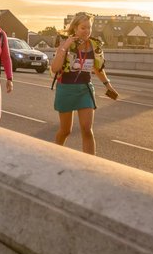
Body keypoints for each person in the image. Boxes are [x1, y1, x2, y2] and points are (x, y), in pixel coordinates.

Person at [50, 12, 118, 155]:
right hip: (66, 89)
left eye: (89, 28)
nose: (86, 31)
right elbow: (54, 68)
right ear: (75, 28)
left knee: (87, 129)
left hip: (85, 89)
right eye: (83, 28)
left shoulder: (94, 45)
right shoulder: (65, 43)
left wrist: (108, 85)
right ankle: (54, 155)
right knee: (65, 131)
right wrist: (64, 47)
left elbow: (98, 68)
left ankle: (90, 165)